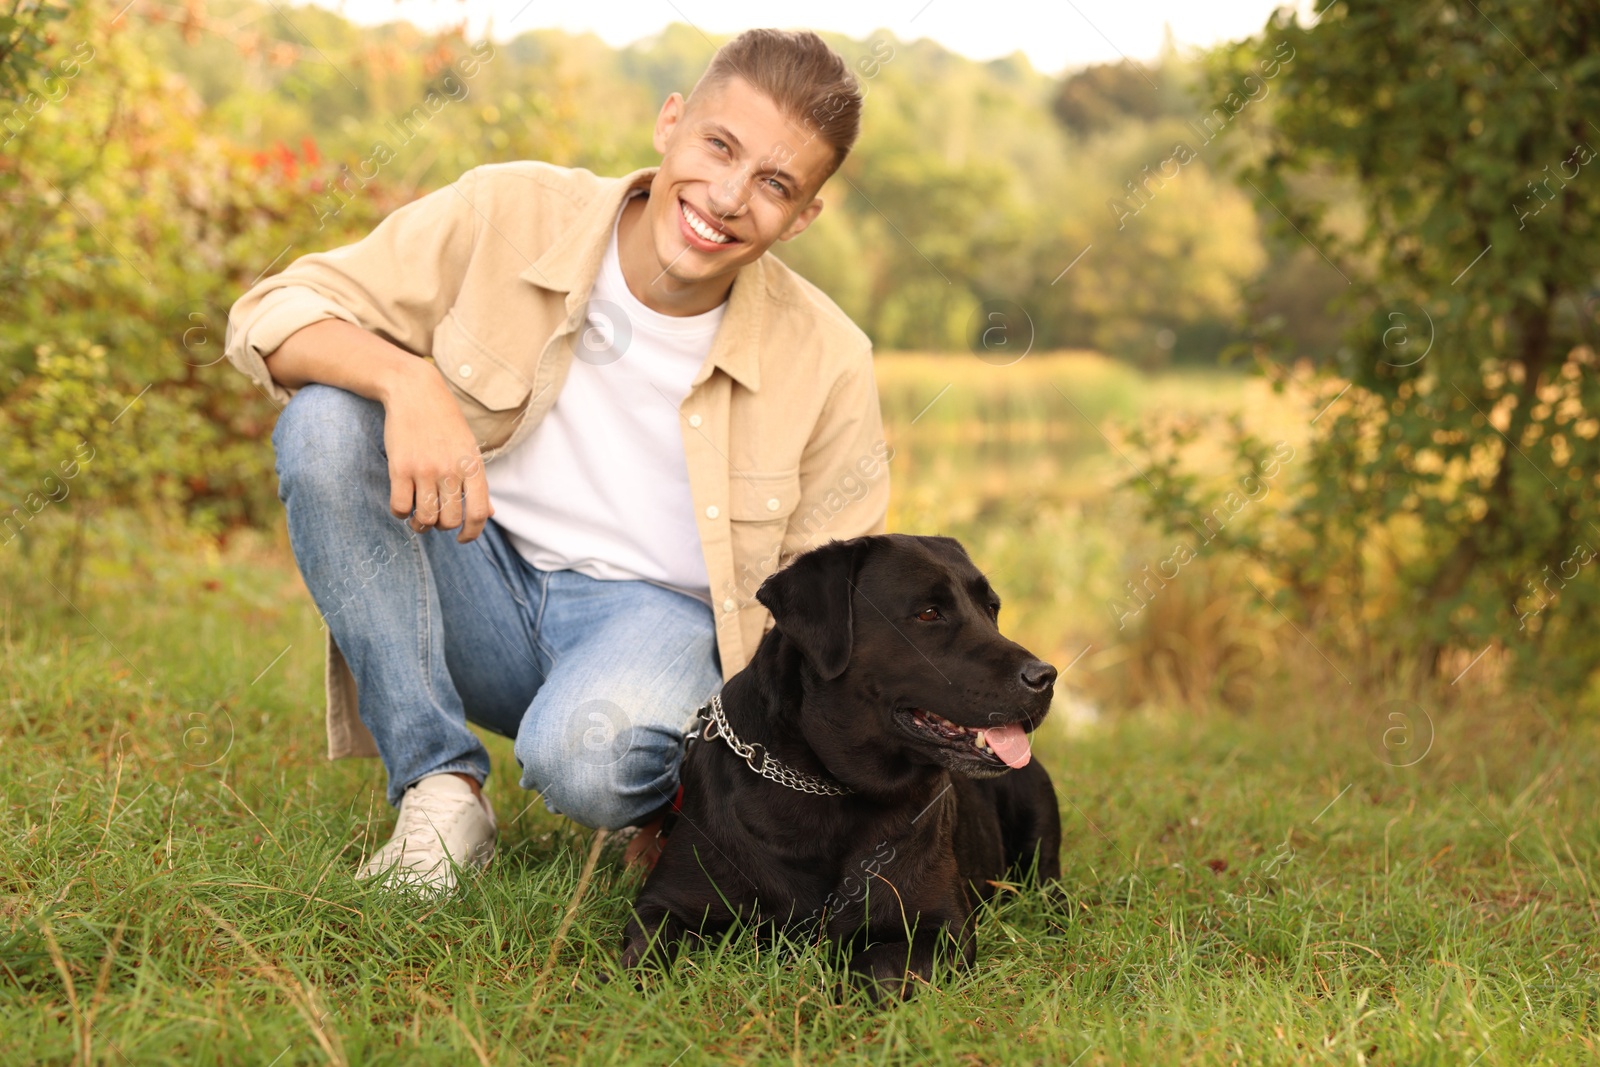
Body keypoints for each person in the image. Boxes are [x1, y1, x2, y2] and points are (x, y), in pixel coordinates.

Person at [223, 28, 891, 895]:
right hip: (474, 569)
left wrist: (760, 796)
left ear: (803, 216)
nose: (726, 197)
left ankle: (669, 794)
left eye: (774, 184)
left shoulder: (831, 358)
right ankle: (439, 792)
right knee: (325, 424)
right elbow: (271, 314)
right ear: (670, 122)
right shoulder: (509, 210)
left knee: (585, 760)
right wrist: (404, 379)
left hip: (657, 627)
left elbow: (832, 610)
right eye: (718, 147)